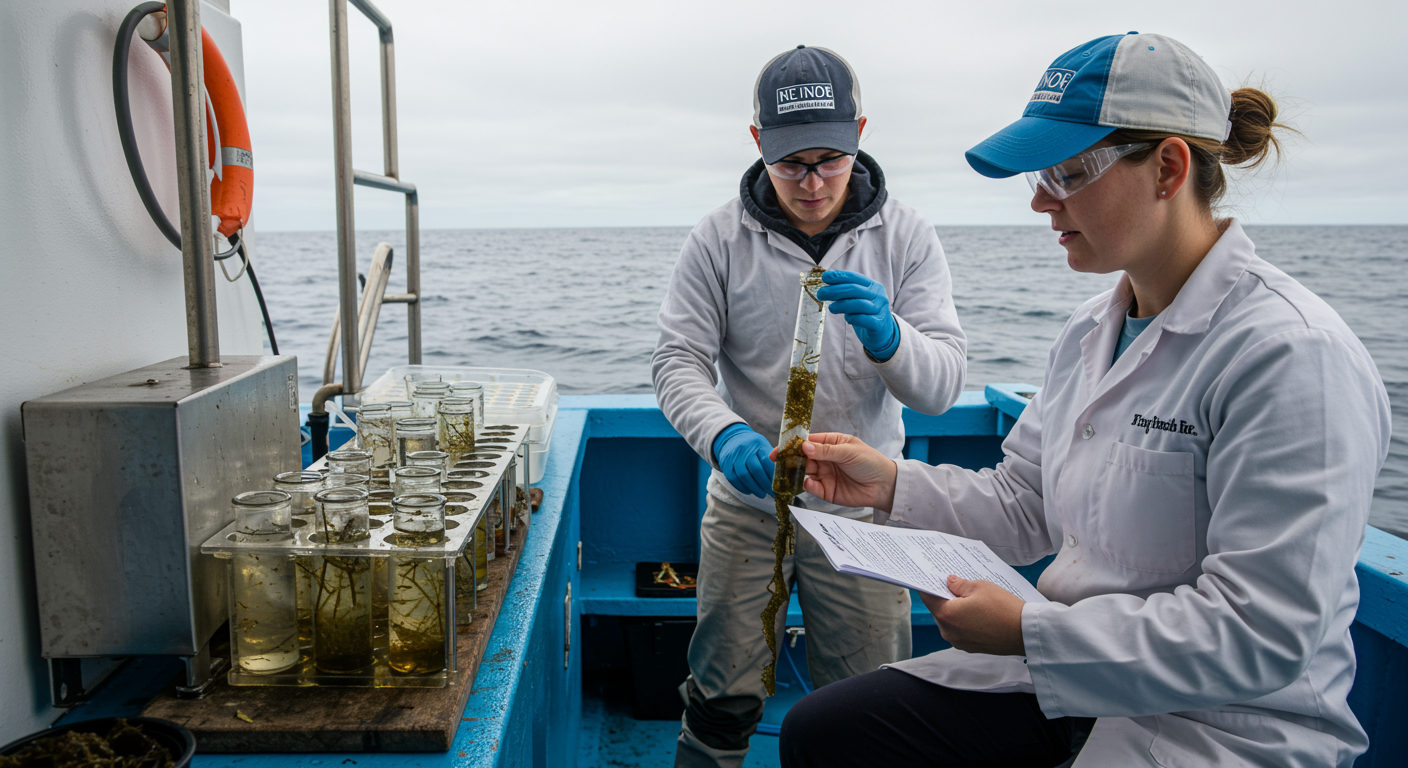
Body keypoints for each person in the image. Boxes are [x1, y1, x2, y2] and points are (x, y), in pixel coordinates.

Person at [776, 32, 1392, 768]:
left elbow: (1262, 635)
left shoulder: (1290, 355)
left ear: (1168, 167)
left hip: (1219, 725)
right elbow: (1025, 502)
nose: (1040, 201)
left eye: (1067, 173)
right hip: (1073, 684)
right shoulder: (1088, 333)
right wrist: (892, 483)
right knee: (823, 732)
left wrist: (1030, 632)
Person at [652, 45, 968, 768]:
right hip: (747, 500)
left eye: (830, 160)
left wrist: (893, 340)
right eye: (791, 162)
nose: (813, 182)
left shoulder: (908, 237)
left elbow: (942, 387)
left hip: (864, 508)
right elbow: (678, 361)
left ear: (860, 134)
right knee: (720, 692)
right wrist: (723, 434)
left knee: (868, 702)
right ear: (760, 143)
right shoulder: (718, 238)